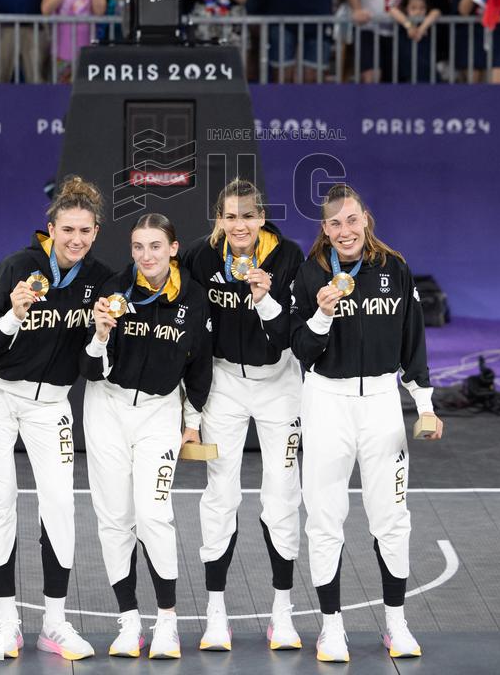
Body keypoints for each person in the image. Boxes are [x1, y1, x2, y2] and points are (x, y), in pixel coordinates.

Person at [290, 183, 443, 663]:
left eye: (351, 220)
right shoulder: (309, 273)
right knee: (324, 519)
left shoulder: (394, 270)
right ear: (325, 229)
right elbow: (300, 349)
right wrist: (319, 316)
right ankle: (331, 629)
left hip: (380, 403)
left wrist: (425, 405)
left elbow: (412, 344)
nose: (344, 231)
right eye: (334, 223)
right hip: (325, 404)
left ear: (365, 219)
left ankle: (396, 625)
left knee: (391, 519)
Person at [0, 176, 113, 661]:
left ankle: (55, 621)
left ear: (95, 233)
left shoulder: (100, 281)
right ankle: (8, 621)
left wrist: (100, 335)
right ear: (51, 227)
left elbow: (93, 367)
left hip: (51, 403)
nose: (76, 239)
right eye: (67, 229)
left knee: (60, 504)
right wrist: (13, 313)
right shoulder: (19, 268)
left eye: (85, 231)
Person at [81, 213, 213, 660]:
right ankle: (129, 621)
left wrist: (192, 421)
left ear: (173, 249)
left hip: (159, 414)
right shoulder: (114, 292)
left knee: (154, 514)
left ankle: (167, 623)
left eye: (155, 246)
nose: (146, 256)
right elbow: (89, 368)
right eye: (138, 247)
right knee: (115, 518)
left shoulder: (193, 298)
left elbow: (200, 365)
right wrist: (99, 335)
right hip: (107, 409)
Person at [182, 179, 305, 653]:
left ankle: (282, 612)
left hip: (280, 385)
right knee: (221, 494)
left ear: (261, 218)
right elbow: (185, 323)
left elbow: (294, 333)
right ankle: (217, 613)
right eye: (230, 217)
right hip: (223, 386)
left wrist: (264, 296)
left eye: (248, 216)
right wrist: (188, 404)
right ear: (219, 219)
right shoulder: (199, 257)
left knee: (281, 494)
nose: (239, 226)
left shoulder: (288, 257)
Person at [389, 0, 440, 82]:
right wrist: (409, 26)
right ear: (406, 9)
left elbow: (436, 12)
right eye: (413, 8)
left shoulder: (427, 24)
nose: (418, 11)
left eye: (422, 8)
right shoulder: (403, 24)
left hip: (428, 76)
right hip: (407, 76)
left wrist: (421, 29)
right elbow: (392, 10)